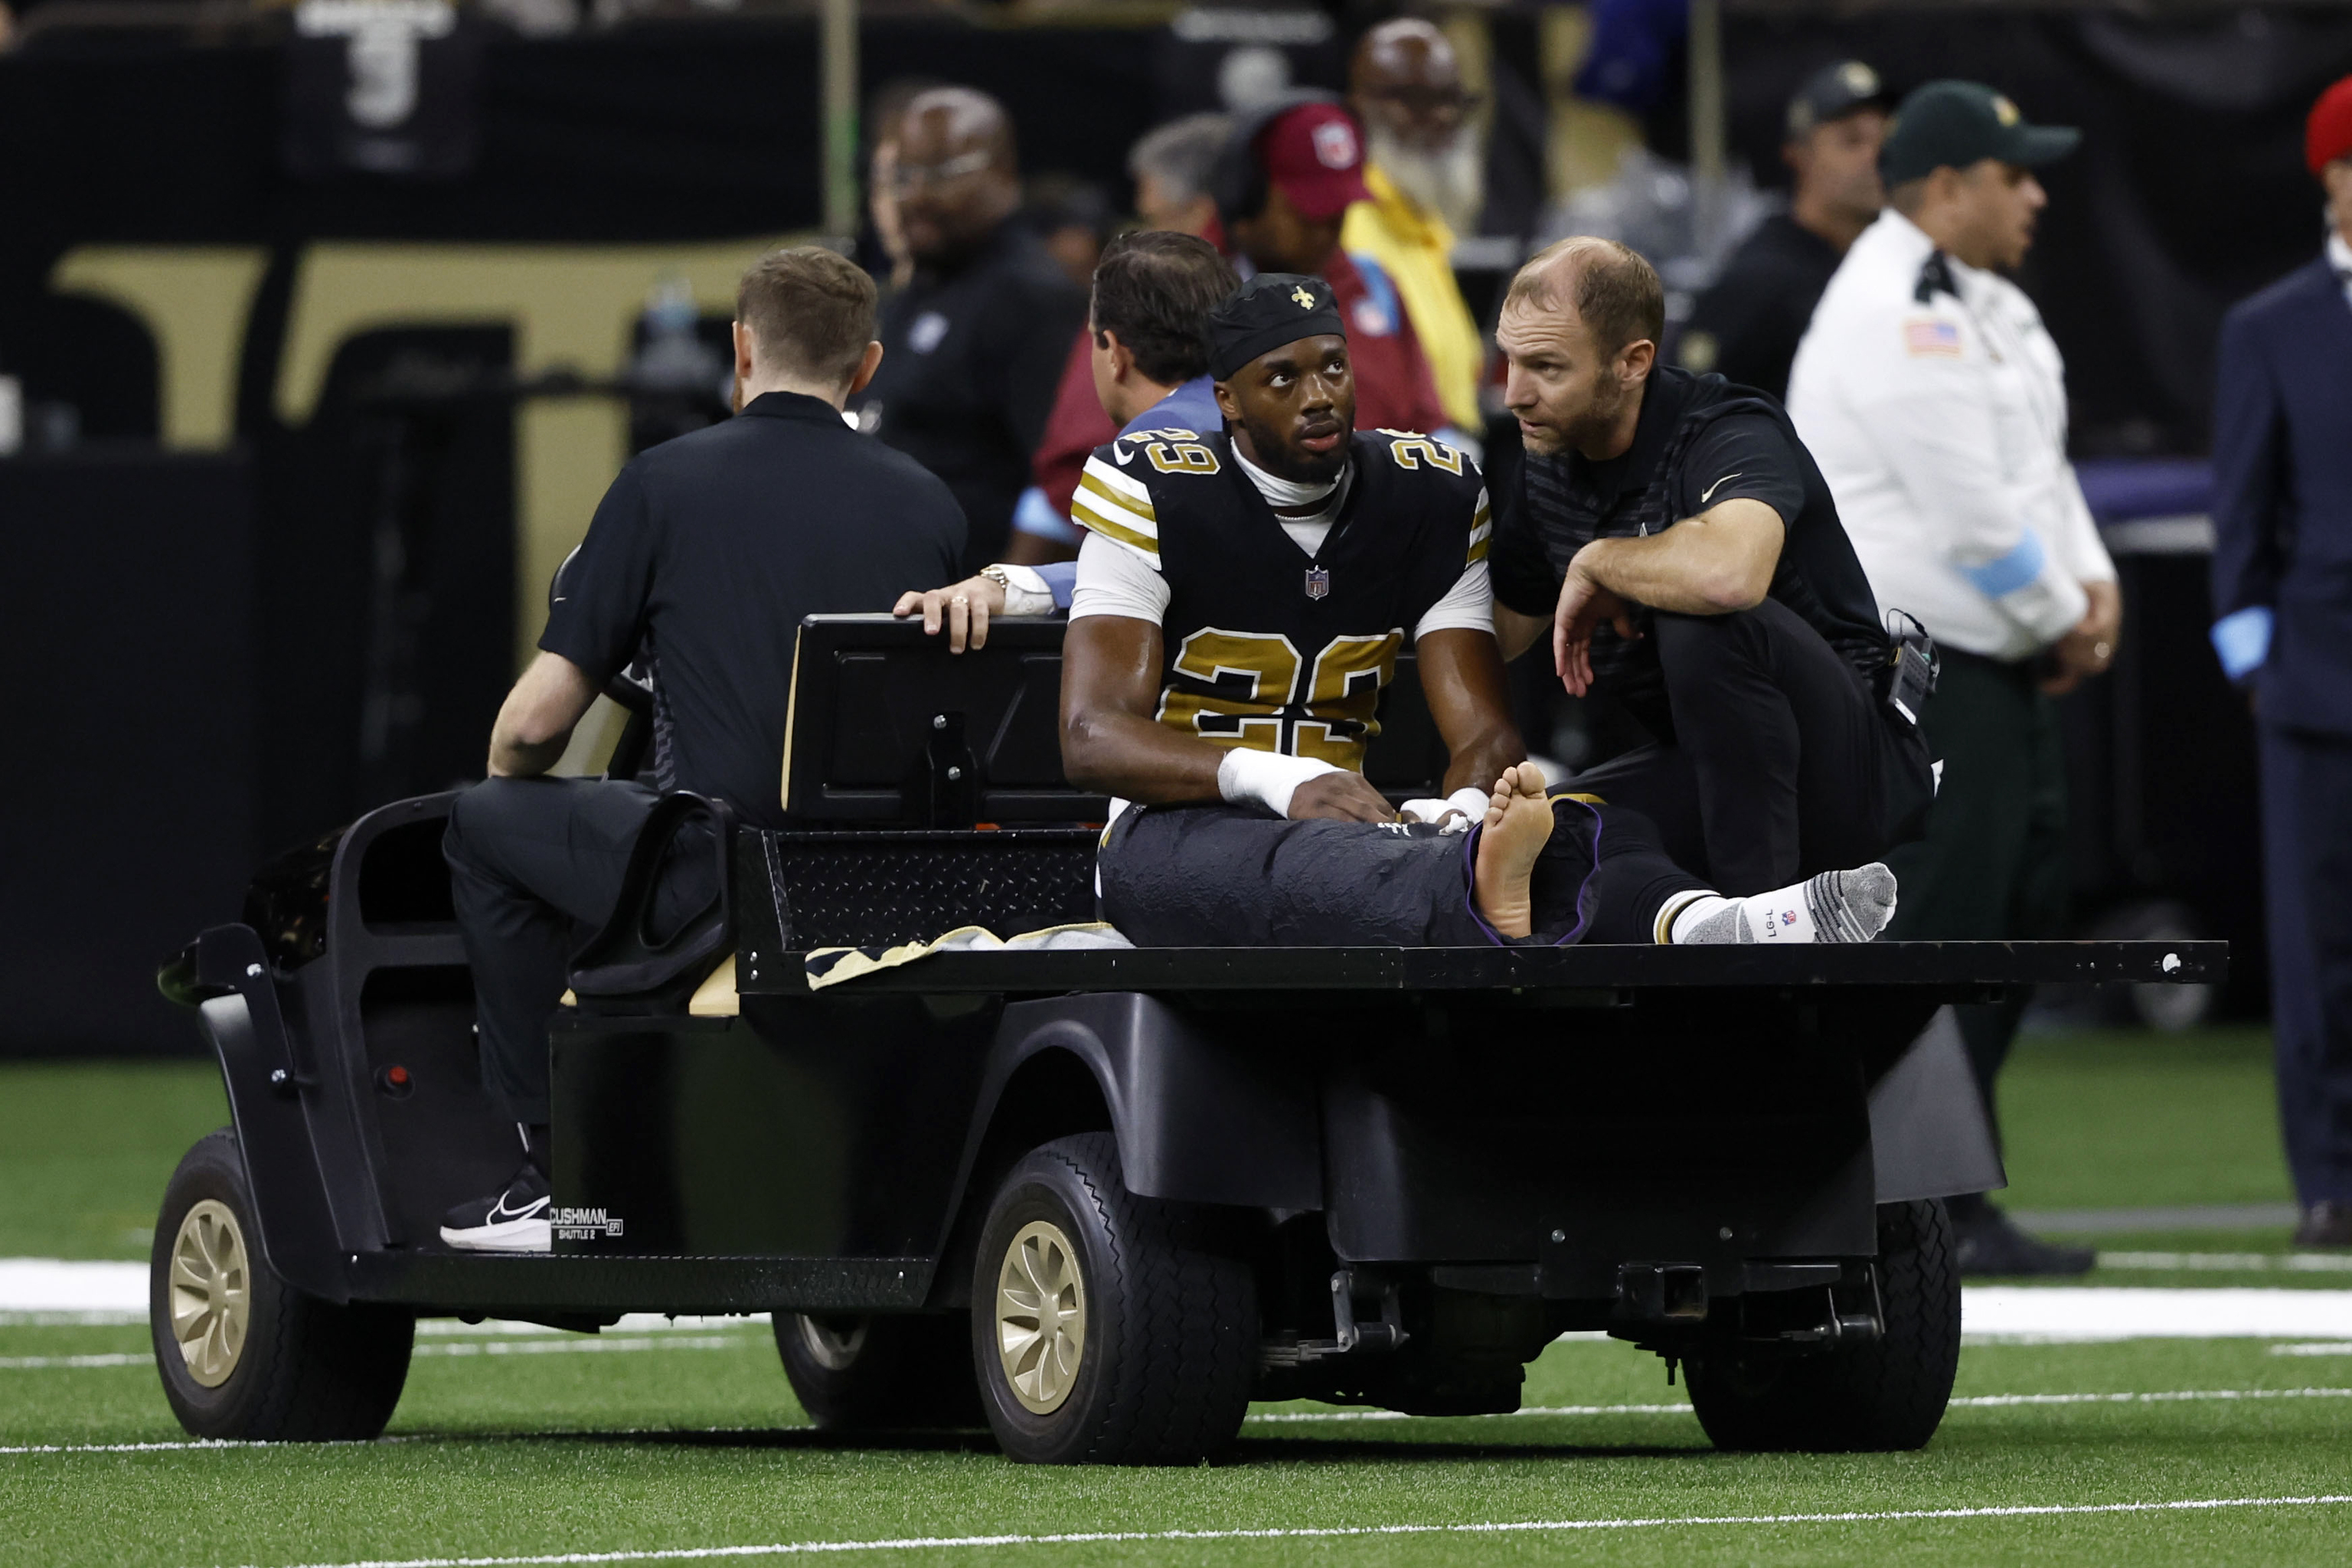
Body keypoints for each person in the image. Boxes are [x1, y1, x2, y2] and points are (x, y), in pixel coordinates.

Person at [1062, 273, 1900, 952]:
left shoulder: (1423, 494)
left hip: (1372, 826)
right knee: (1309, 860)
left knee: (1548, 822)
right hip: (1178, 827)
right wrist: (1278, 778)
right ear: (1228, 401)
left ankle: (1710, 921)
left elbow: (1485, 733)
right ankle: (1653, 915)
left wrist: (1464, 811)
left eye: (1333, 367)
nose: (1319, 396)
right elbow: (1092, 736)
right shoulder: (1153, 486)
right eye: (1284, 377)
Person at [437, 247, 965, 1252]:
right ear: (868, 367)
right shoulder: (928, 502)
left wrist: (517, 790)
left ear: (740, 349)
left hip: (715, 880)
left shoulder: (661, 484)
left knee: (482, 822)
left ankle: (547, 1173)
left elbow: (534, 727)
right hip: (883, 885)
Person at [1787, 80, 2119, 1276]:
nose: (2034, 192)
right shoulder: (1890, 310)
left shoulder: (1988, 303)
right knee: (1943, 925)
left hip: (2002, 658)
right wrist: (2060, 612)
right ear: (1944, 189)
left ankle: (1951, 1191)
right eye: (2013, 173)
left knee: (2017, 914)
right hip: (1926, 671)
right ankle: (1890, 1197)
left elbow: (2040, 471)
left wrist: (2090, 584)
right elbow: (1969, 510)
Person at [1484, 237, 1935, 904]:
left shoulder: (1728, 427)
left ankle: (1760, 940)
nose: (1515, 393)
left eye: (1546, 366)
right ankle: (1694, 941)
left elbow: (1731, 576)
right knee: (1539, 835)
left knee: (1708, 620)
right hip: (1709, 770)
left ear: (1634, 362)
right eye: (1510, 359)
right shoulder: (1545, 463)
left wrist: (1600, 559)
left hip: (1850, 769)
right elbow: (1495, 636)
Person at [2210, 74, 2352, 1248]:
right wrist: (2257, 662)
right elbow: (2241, 517)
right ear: (2330, 182)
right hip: (2317, 680)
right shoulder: (2272, 327)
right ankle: (2331, 1182)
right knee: (2320, 946)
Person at [897, 230, 1236, 645]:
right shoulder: (1280, 421)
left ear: (1113, 351)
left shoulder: (1137, 460)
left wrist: (1007, 585)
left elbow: (1138, 581)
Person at [851, 87, 1089, 573]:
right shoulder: (922, 285)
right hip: (893, 595)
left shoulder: (1031, 298)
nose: (914, 195)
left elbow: (1065, 479)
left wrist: (1004, 599)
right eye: (904, 176)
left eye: (940, 175)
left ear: (1003, 173)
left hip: (965, 615)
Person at [1015, 113, 1232, 564]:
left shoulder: (1142, 454)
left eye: (1152, 218)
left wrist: (1021, 584)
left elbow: (1069, 473)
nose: (1149, 236)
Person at [1214, 94, 1453, 443]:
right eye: (1309, 212)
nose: (1328, 230)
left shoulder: (1373, 283)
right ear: (1246, 198)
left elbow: (1428, 419)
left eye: (1340, 210)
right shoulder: (1189, 294)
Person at [1677, 60, 1893, 403]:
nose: (1874, 158)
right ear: (1798, 156)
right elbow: (1686, 399)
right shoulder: (1762, 278)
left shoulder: (1890, 264)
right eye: (1852, 141)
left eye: (1885, 140)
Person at [1344, 17, 1488, 433]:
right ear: (1360, 104)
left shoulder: (1423, 222)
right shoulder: (1348, 228)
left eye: (1450, 99)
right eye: (1416, 99)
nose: (1441, 117)